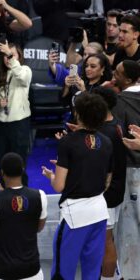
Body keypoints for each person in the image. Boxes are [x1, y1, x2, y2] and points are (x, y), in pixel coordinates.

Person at [42, 93, 112, 279]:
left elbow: (58, 186)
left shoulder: (68, 142)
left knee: (63, 271)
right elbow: (107, 180)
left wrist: (52, 176)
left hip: (75, 215)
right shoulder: (107, 142)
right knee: (92, 269)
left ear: (78, 114)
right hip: (99, 211)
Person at [0, 152, 47, 280]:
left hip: (4, 274)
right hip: (33, 272)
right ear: (22, 170)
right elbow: (38, 227)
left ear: (2, 173)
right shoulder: (40, 196)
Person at [91, 87, 127, 280]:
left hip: (107, 194)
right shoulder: (116, 123)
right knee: (105, 239)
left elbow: (104, 168)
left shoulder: (105, 133)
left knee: (106, 241)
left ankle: (108, 278)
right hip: (116, 191)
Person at [110, 60, 140, 279]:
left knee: (129, 229)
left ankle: (130, 274)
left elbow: (115, 136)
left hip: (130, 171)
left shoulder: (119, 102)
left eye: (117, 73)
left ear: (128, 79)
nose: (114, 75)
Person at [0, 41, 32, 184]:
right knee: (1, 159)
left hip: (19, 123)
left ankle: (22, 191)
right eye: (5, 55)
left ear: (18, 56)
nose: (8, 58)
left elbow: (22, 77)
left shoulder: (25, 70)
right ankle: (4, 190)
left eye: (12, 55)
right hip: (1, 122)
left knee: (19, 160)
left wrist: (11, 57)